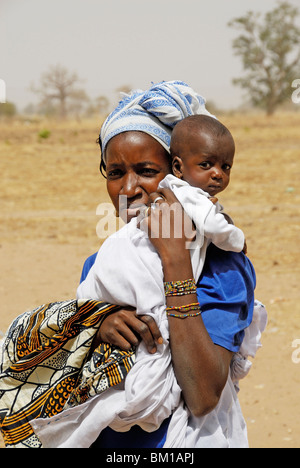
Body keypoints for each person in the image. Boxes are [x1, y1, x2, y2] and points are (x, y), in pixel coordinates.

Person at [30, 81, 267, 449]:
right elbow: (72, 362)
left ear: (180, 174)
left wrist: (176, 263)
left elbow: (203, 396)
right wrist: (97, 324)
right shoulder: (106, 265)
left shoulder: (224, 270)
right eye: (114, 173)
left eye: (145, 170)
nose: (128, 190)